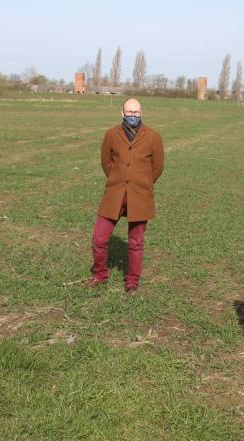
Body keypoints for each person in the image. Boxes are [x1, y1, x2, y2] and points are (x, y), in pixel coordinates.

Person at [84, 98, 164, 295]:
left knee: (136, 242)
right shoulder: (112, 134)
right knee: (99, 238)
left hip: (140, 196)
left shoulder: (153, 136)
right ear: (122, 113)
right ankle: (100, 275)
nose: (133, 116)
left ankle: (132, 282)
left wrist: (143, 182)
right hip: (114, 194)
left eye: (136, 112)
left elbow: (157, 167)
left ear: (141, 113)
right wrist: (117, 178)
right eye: (129, 112)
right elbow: (106, 162)